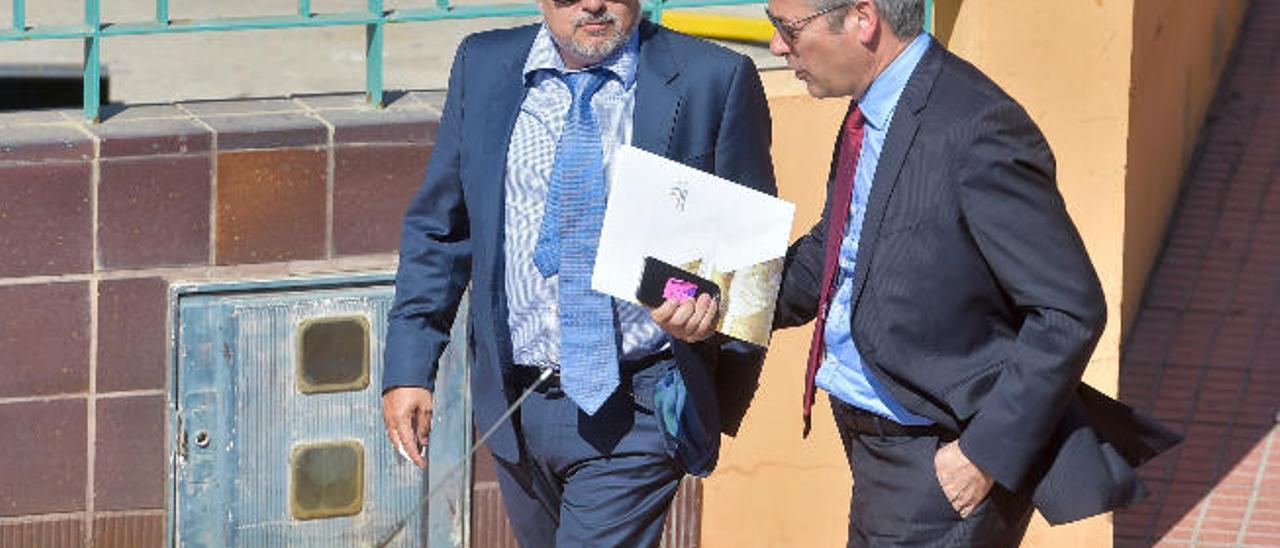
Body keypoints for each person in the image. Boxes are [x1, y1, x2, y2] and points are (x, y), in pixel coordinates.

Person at [658, 0, 1180, 545]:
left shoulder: (977, 127)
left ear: (863, 19)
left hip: (937, 453)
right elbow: (835, 252)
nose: (777, 46)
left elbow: (1069, 310)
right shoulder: (871, 109)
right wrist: (712, 296)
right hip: (873, 441)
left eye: (788, 28)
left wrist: (983, 455)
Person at [379, 0, 776, 544]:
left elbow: (748, 263)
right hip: (516, 405)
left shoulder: (714, 78)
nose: (592, 2)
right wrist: (410, 364)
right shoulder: (484, 64)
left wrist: (705, 368)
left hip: (638, 405)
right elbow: (442, 228)